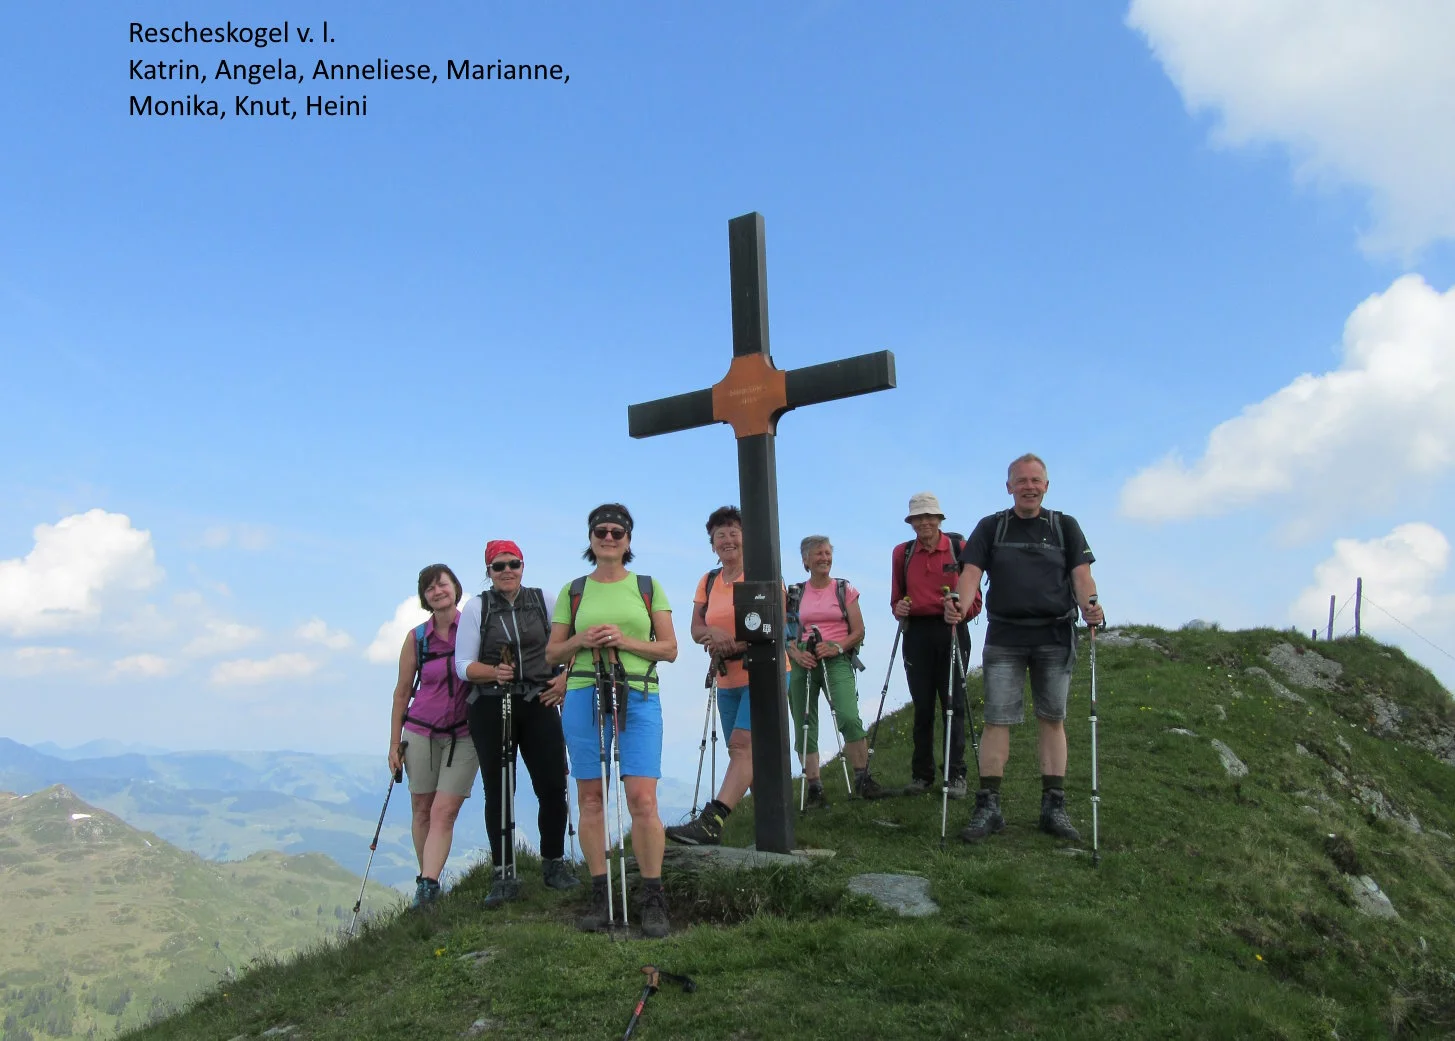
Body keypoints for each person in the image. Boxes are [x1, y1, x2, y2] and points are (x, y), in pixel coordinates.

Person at [945, 453, 1104, 843]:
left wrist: (1091, 605)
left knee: (1052, 718)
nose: (1029, 486)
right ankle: (989, 807)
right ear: (1009, 486)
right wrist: (960, 607)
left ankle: (1054, 807)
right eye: (1021, 480)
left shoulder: (1064, 526)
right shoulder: (991, 527)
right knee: (997, 720)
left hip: (1054, 634)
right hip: (1005, 636)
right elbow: (970, 574)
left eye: (1036, 480)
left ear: (1046, 486)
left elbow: (1081, 574)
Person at [546, 504, 677, 937]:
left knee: (642, 799)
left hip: (637, 693)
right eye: (600, 531)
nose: (608, 537)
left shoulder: (647, 586)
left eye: (617, 531)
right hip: (584, 692)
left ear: (628, 540)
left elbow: (670, 649)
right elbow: (552, 654)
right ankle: (601, 891)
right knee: (590, 799)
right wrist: (582, 639)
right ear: (590, 538)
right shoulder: (573, 590)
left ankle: (653, 895)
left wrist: (624, 640)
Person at [455, 539, 580, 908]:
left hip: (540, 699)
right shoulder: (478, 607)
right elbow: (462, 665)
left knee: (553, 783)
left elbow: (571, 646)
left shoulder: (544, 601)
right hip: (492, 703)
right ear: (489, 571)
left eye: (514, 564)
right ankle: (503, 872)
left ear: (523, 566)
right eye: (499, 566)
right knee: (499, 789)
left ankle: (553, 863)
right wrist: (493, 671)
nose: (507, 571)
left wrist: (564, 680)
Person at [665, 505, 787, 845]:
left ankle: (712, 820)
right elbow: (695, 628)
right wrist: (712, 635)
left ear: (746, 538)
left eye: (734, 532)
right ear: (712, 543)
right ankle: (774, 825)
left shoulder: (763, 574)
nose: (728, 540)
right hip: (727, 677)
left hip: (764, 671)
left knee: (742, 743)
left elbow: (774, 625)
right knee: (744, 754)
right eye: (721, 535)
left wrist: (735, 641)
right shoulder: (708, 581)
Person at [388, 564, 480, 907]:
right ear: (424, 597)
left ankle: (426, 884)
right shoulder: (417, 638)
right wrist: (394, 743)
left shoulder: (473, 630)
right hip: (420, 731)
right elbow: (401, 693)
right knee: (422, 808)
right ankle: (429, 883)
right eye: (430, 588)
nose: (437, 591)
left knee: (444, 810)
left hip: (465, 734)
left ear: (455, 587)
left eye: (442, 584)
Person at [889, 493, 980, 799]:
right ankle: (922, 775)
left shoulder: (959, 549)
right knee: (923, 706)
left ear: (940, 520)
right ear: (911, 522)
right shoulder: (902, 553)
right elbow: (896, 598)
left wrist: (960, 611)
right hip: (916, 633)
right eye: (918, 518)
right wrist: (899, 609)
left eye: (930, 517)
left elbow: (976, 600)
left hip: (952, 629)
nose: (924, 522)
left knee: (953, 704)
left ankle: (955, 775)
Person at [787, 535, 882, 803]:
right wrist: (795, 653)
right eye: (818, 554)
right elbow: (787, 634)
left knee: (848, 716)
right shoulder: (795, 594)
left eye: (827, 553)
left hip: (836, 657)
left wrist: (837, 647)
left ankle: (862, 777)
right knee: (804, 722)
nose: (824, 558)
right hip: (804, 660)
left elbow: (859, 630)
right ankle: (815, 786)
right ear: (805, 560)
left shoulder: (844, 589)